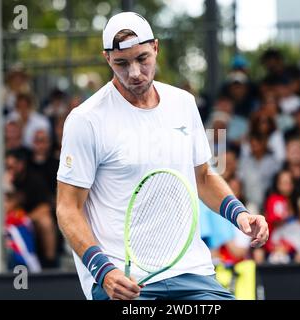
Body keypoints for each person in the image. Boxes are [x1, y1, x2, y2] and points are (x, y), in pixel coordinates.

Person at [56, 12, 268, 301]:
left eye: (142, 59)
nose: (134, 72)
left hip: (192, 272)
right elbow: (68, 209)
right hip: (124, 281)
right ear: (107, 59)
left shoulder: (184, 103)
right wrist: (103, 271)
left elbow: (203, 176)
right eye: (121, 63)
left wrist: (240, 214)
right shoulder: (85, 120)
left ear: (156, 48)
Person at [238, 133, 281, 209]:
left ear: (263, 144)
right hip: (249, 203)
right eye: (252, 145)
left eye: (257, 145)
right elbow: (240, 181)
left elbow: (277, 181)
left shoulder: (272, 161)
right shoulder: (245, 162)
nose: (255, 148)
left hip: (269, 202)